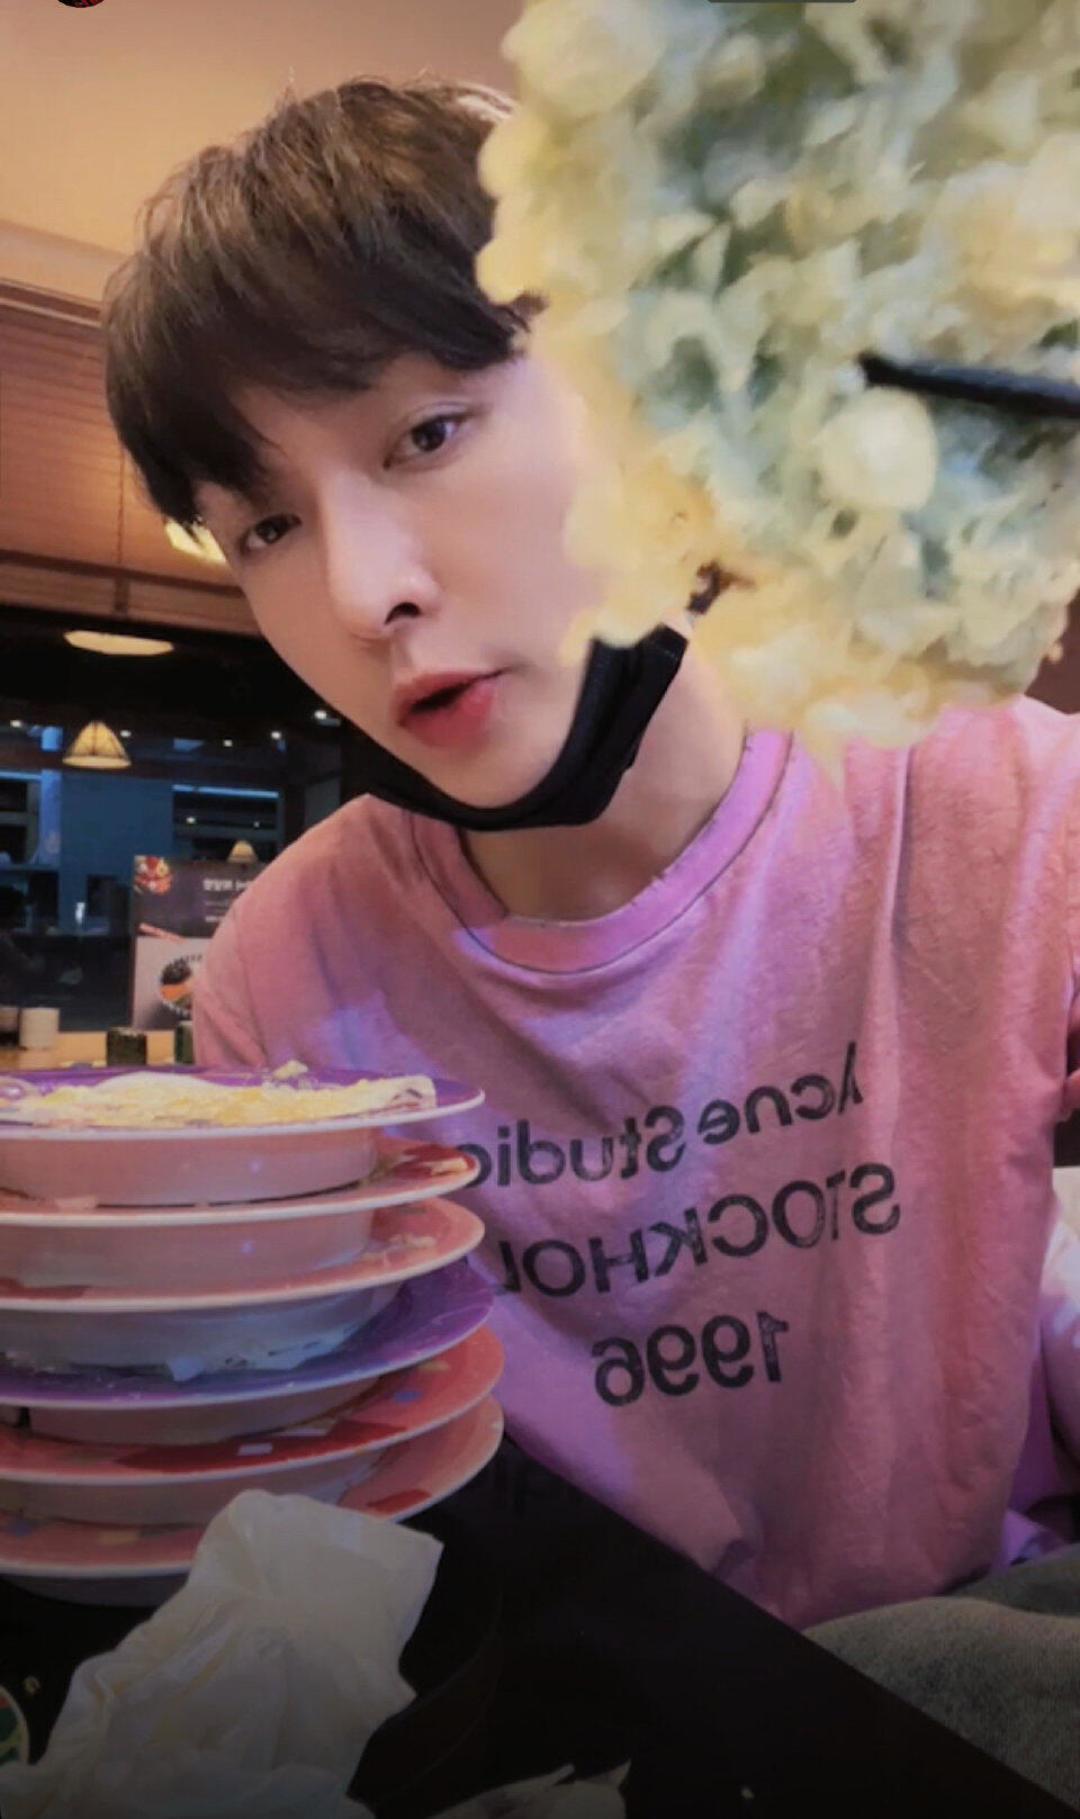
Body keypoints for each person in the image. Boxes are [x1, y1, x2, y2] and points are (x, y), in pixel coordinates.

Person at [101, 77, 1080, 1798]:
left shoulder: (1006, 812)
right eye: (266, 525)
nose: (363, 594)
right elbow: (312, 1510)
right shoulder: (286, 967)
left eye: (425, 434)